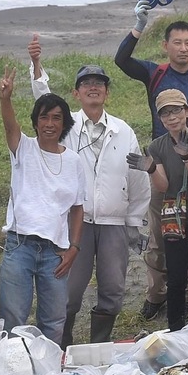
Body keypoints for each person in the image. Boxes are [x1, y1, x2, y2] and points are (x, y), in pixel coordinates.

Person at [29, 38, 149, 346]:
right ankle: (61, 344)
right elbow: (44, 102)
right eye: (86, 84)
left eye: (99, 84)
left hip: (113, 223)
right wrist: (37, 66)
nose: (93, 88)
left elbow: (138, 178)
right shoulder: (65, 128)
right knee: (69, 291)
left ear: (108, 92)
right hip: (75, 224)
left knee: (113, 291)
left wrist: (135, 220)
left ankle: (99, 346)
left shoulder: (124, 131)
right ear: (76, 93)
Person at [115, 0, 188, 321]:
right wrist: (139, 24)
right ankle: (156, 292)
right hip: (162, 159)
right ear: (165, 46)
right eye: (176, 42)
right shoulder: (155, 73)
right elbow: (122, 60)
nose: (183, 48)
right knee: (161, 230)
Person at [0, 65, 85, 345]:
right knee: (12, 319)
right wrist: (5, 99)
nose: (49, 123)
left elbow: (78, 208)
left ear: (64, 124)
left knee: (54, 321)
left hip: (54, 253)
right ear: (35, 122)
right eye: (44, 117)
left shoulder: (74, 161)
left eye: (56, 118)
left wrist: (74, 248)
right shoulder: (23, 148)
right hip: (20, 246)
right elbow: (10, 125)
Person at [127, 89, 188, 331]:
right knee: (176, 276)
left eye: (176, 110)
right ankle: (175, 327)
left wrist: (187, 157)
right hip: (174, 218)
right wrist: (151, 169)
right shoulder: (157, 146)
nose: (172, 117)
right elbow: (164, 186)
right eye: (165, 113)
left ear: (187, 111)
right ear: (160, 119)